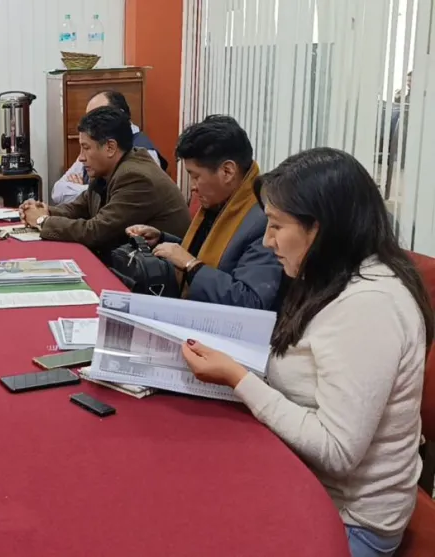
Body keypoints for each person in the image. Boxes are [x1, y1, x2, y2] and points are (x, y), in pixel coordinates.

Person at [180, 147, 432, 557]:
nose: (268, 241)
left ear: (321, 229)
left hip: (348, 520)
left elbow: (337, 451)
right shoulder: (330, 275)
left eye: (277, 226)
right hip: (305, 483)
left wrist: (238, 378)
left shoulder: (370, 306)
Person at [126, 115, 282, 309]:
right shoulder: (222, 201)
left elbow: (251, 302)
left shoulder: (265, 220)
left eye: (195, 176)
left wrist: (191, 266)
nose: (193, 187)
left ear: (227, 171)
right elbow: (211, 256)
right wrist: (162, 239)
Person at [20, 106, 190, 259]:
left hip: (158, 275)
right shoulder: (108, 169)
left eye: (86, 148)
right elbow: (80, 208)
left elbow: (95, 232)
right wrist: (44, 211)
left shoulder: (136, 178)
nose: (81, 157)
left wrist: (42, 221)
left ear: (110, 147)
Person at [52, 90, 167, 204]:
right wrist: (91, 192)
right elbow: (57, 192)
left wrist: (86, 190)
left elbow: (125, 196)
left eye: (98, 118)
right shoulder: (92, 147)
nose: (89, 124)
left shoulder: (145, 154)